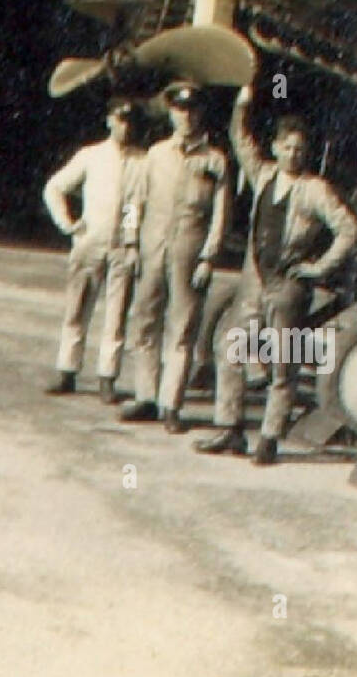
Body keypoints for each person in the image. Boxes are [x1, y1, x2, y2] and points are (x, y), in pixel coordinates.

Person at [195, 85, 357, 464]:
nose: (293, 154)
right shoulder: (264, 175)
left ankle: (269, 438)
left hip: (288, 286)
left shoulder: (315, 189)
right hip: (255, 280)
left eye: (300, 149)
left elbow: (349, 229)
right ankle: (230, 428)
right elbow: (240, 141)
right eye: (287, 147)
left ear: (307, 153)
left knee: (282, 363)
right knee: (230, 349)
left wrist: (319, 267)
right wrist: (242, 103)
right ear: (276, 148)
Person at [121, 81, 231, 434]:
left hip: (190, 250)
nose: (186, 116)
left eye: (193, 110)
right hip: (152, 246)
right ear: (171, 112)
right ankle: (146, 395)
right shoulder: (155, 155)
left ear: (201, 114)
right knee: (144, 320)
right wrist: (130, 244)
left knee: (182, 327)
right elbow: (135, 202)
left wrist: (209, 258)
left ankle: (171, 404)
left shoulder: (215, 161)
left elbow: (220, 215)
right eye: (180, 109)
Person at [42, 97, 146, 404]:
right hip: (90, 241)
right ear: (109, 121)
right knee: (77, 308)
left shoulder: (142, 161)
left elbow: (134, 205)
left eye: (129, 121)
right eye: (119, 119)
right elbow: (55, 187)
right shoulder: (92, 156)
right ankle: (67, 370)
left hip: (121, 247)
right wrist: (69, 224)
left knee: (116, 314)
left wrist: (131, 241)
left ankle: (107, 378)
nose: (125, 126)